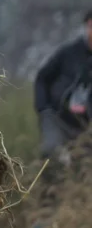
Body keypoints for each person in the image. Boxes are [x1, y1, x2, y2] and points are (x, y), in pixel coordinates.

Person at [34, 11, 92, 156]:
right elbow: (42, 78)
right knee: (51, 152)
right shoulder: (68, 53)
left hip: (86, 125)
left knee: (82, 166)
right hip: (57, 116)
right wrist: (43, 108)